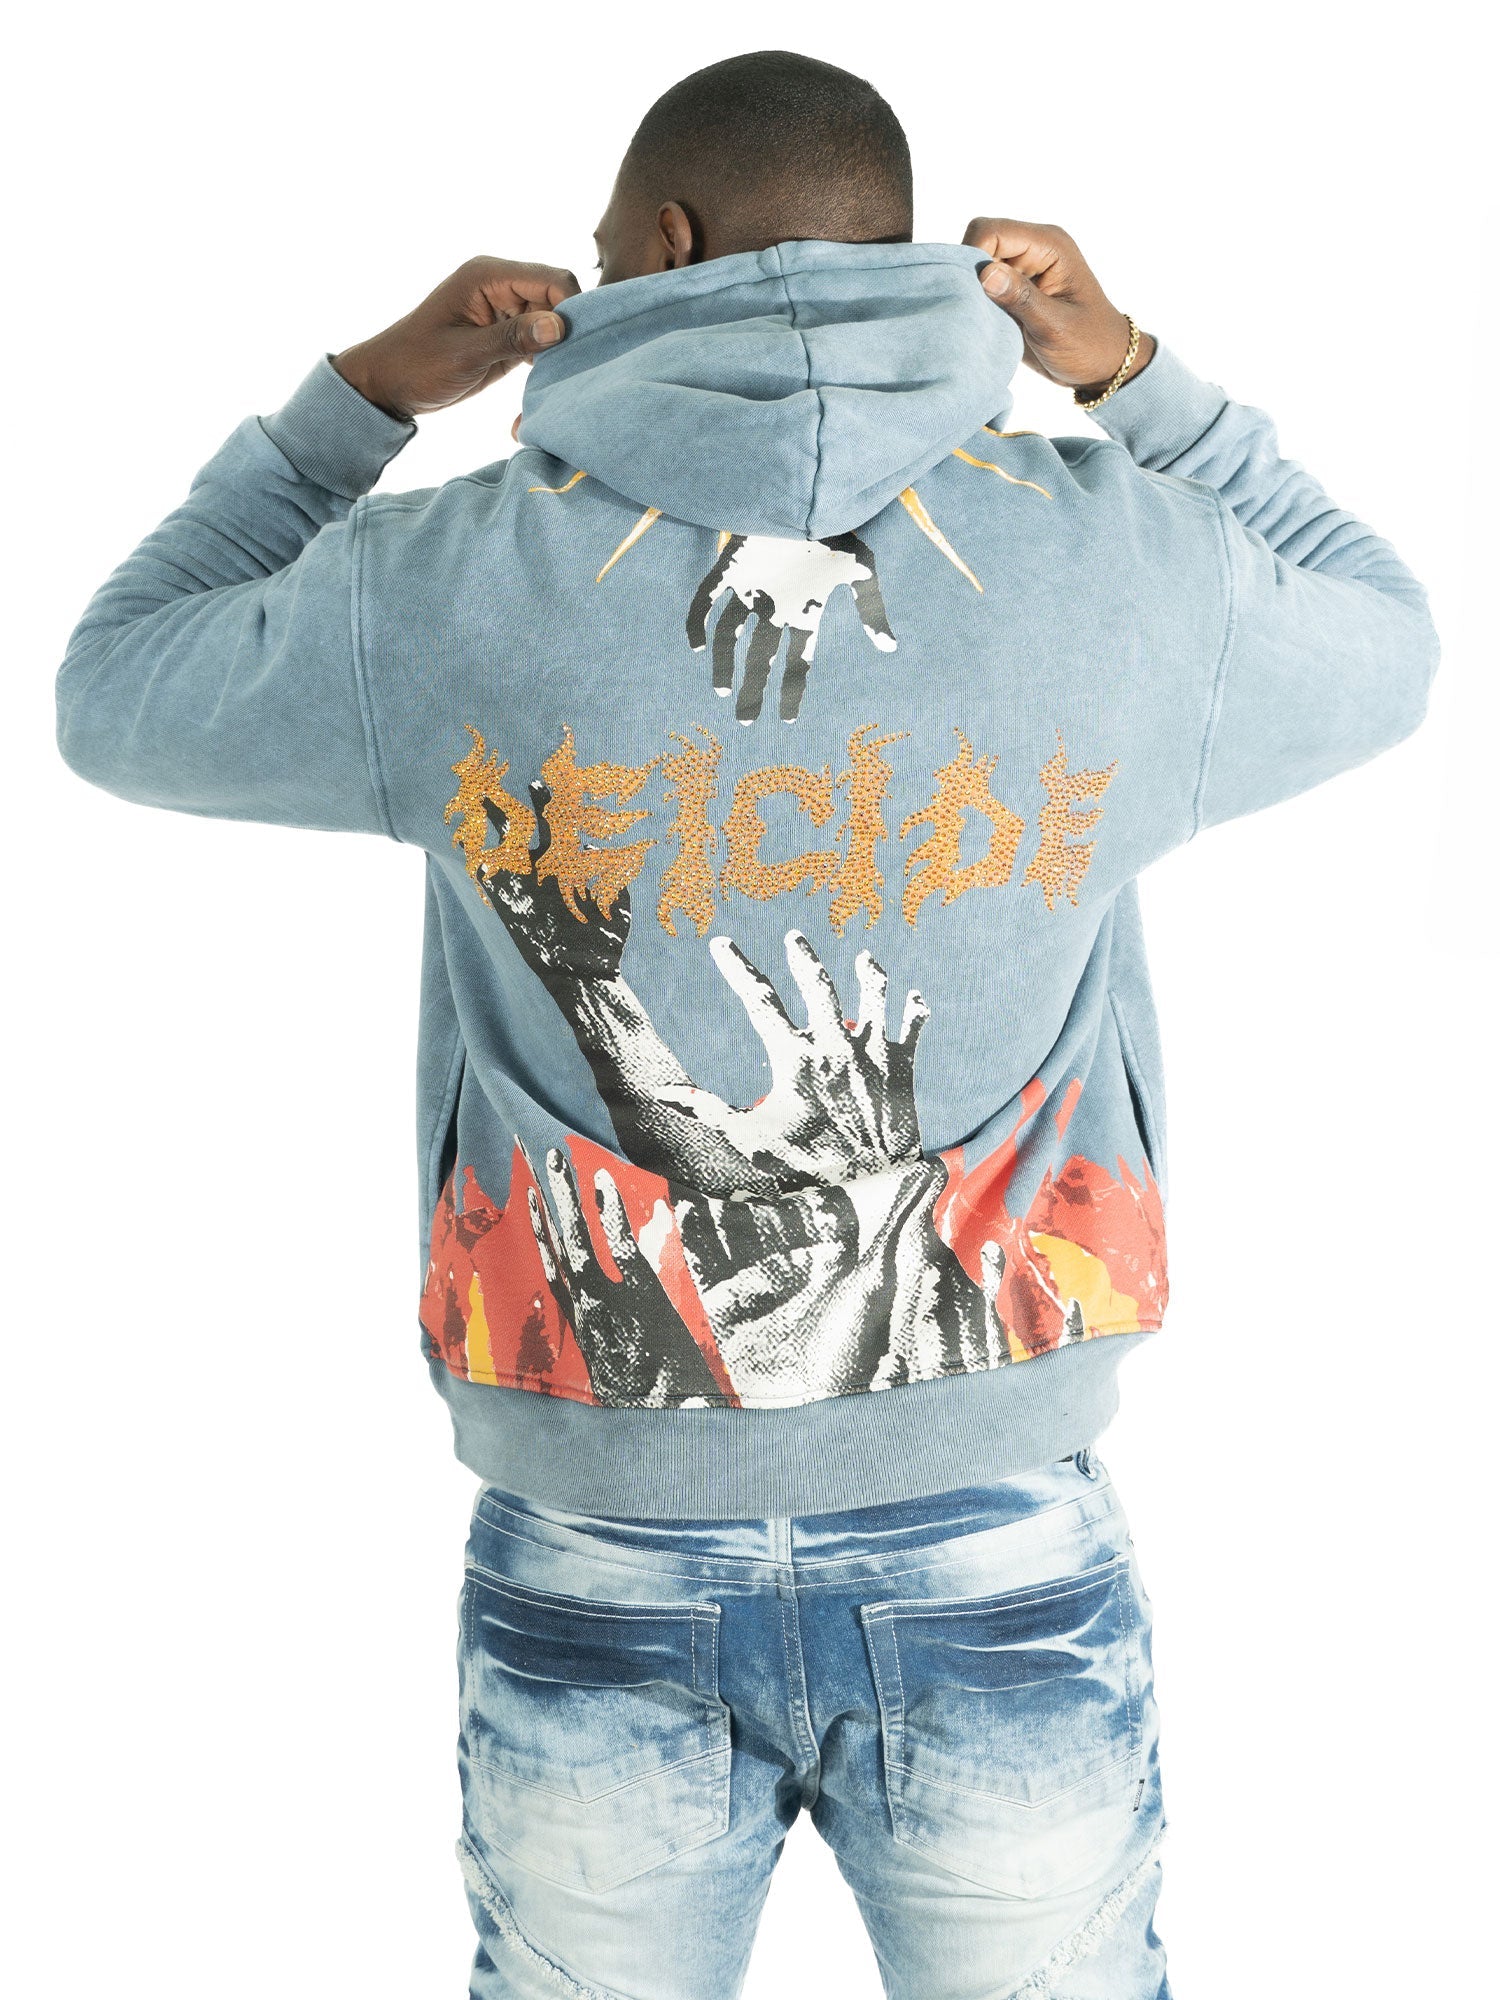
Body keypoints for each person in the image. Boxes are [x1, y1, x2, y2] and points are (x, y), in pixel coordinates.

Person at [54, 46, 1438, 2000]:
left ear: (662, 242)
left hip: (593, 1526)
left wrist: (360, 399)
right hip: (998, 1522)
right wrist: (1135, 374)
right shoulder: (1120, 558)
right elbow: (1388, 636)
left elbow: (117, 692)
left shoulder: (447, 582)